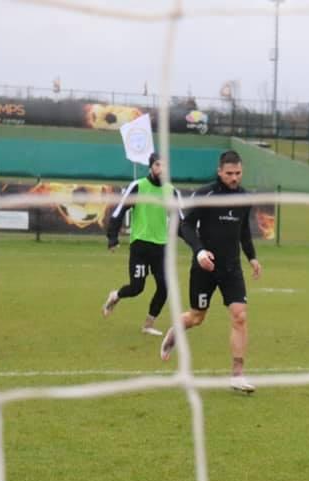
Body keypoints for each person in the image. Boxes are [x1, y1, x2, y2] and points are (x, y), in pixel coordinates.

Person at [159, 150, 262, 393]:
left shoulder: (245, 198)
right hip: (204, 267)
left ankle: (237, 375)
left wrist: (253, 257)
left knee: (240, 316)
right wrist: (199, 251)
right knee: (197, 317)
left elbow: (243, 232)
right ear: (219, 172)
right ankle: (177, 328)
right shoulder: (206, 194)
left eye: (237, 173)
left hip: (231, 268)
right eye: (229, 174)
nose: (234, 178)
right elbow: (184, 225)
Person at [102, 152, 184, 336]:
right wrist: (112, 237)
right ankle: (115, 296)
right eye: (157, 165)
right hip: (140, 245)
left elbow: (181, 221)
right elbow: (119, 211)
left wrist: (197, 246)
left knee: (164, 287)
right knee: (137, 287)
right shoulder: (138, 186)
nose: (161, 170)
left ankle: (148, 325)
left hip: (160, 247)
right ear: (151, 167)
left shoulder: (171, 191)